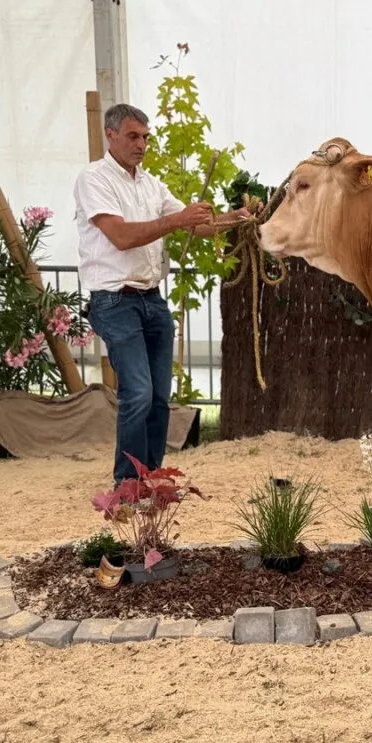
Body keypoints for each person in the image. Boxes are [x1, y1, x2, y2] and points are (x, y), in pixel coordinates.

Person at [73, 103, 250, 486]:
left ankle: (149, 477)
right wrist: (178, 219)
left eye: (146, 137)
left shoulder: (151, 184)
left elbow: (196, 227)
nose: (142, 144)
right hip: (114, 301)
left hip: (151, 300)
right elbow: (121, 237)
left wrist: (238, 217)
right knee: (138, 393)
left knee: (156, 398)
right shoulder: (93, 179)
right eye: (134, 136)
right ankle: (127, 483)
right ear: (111, 135)